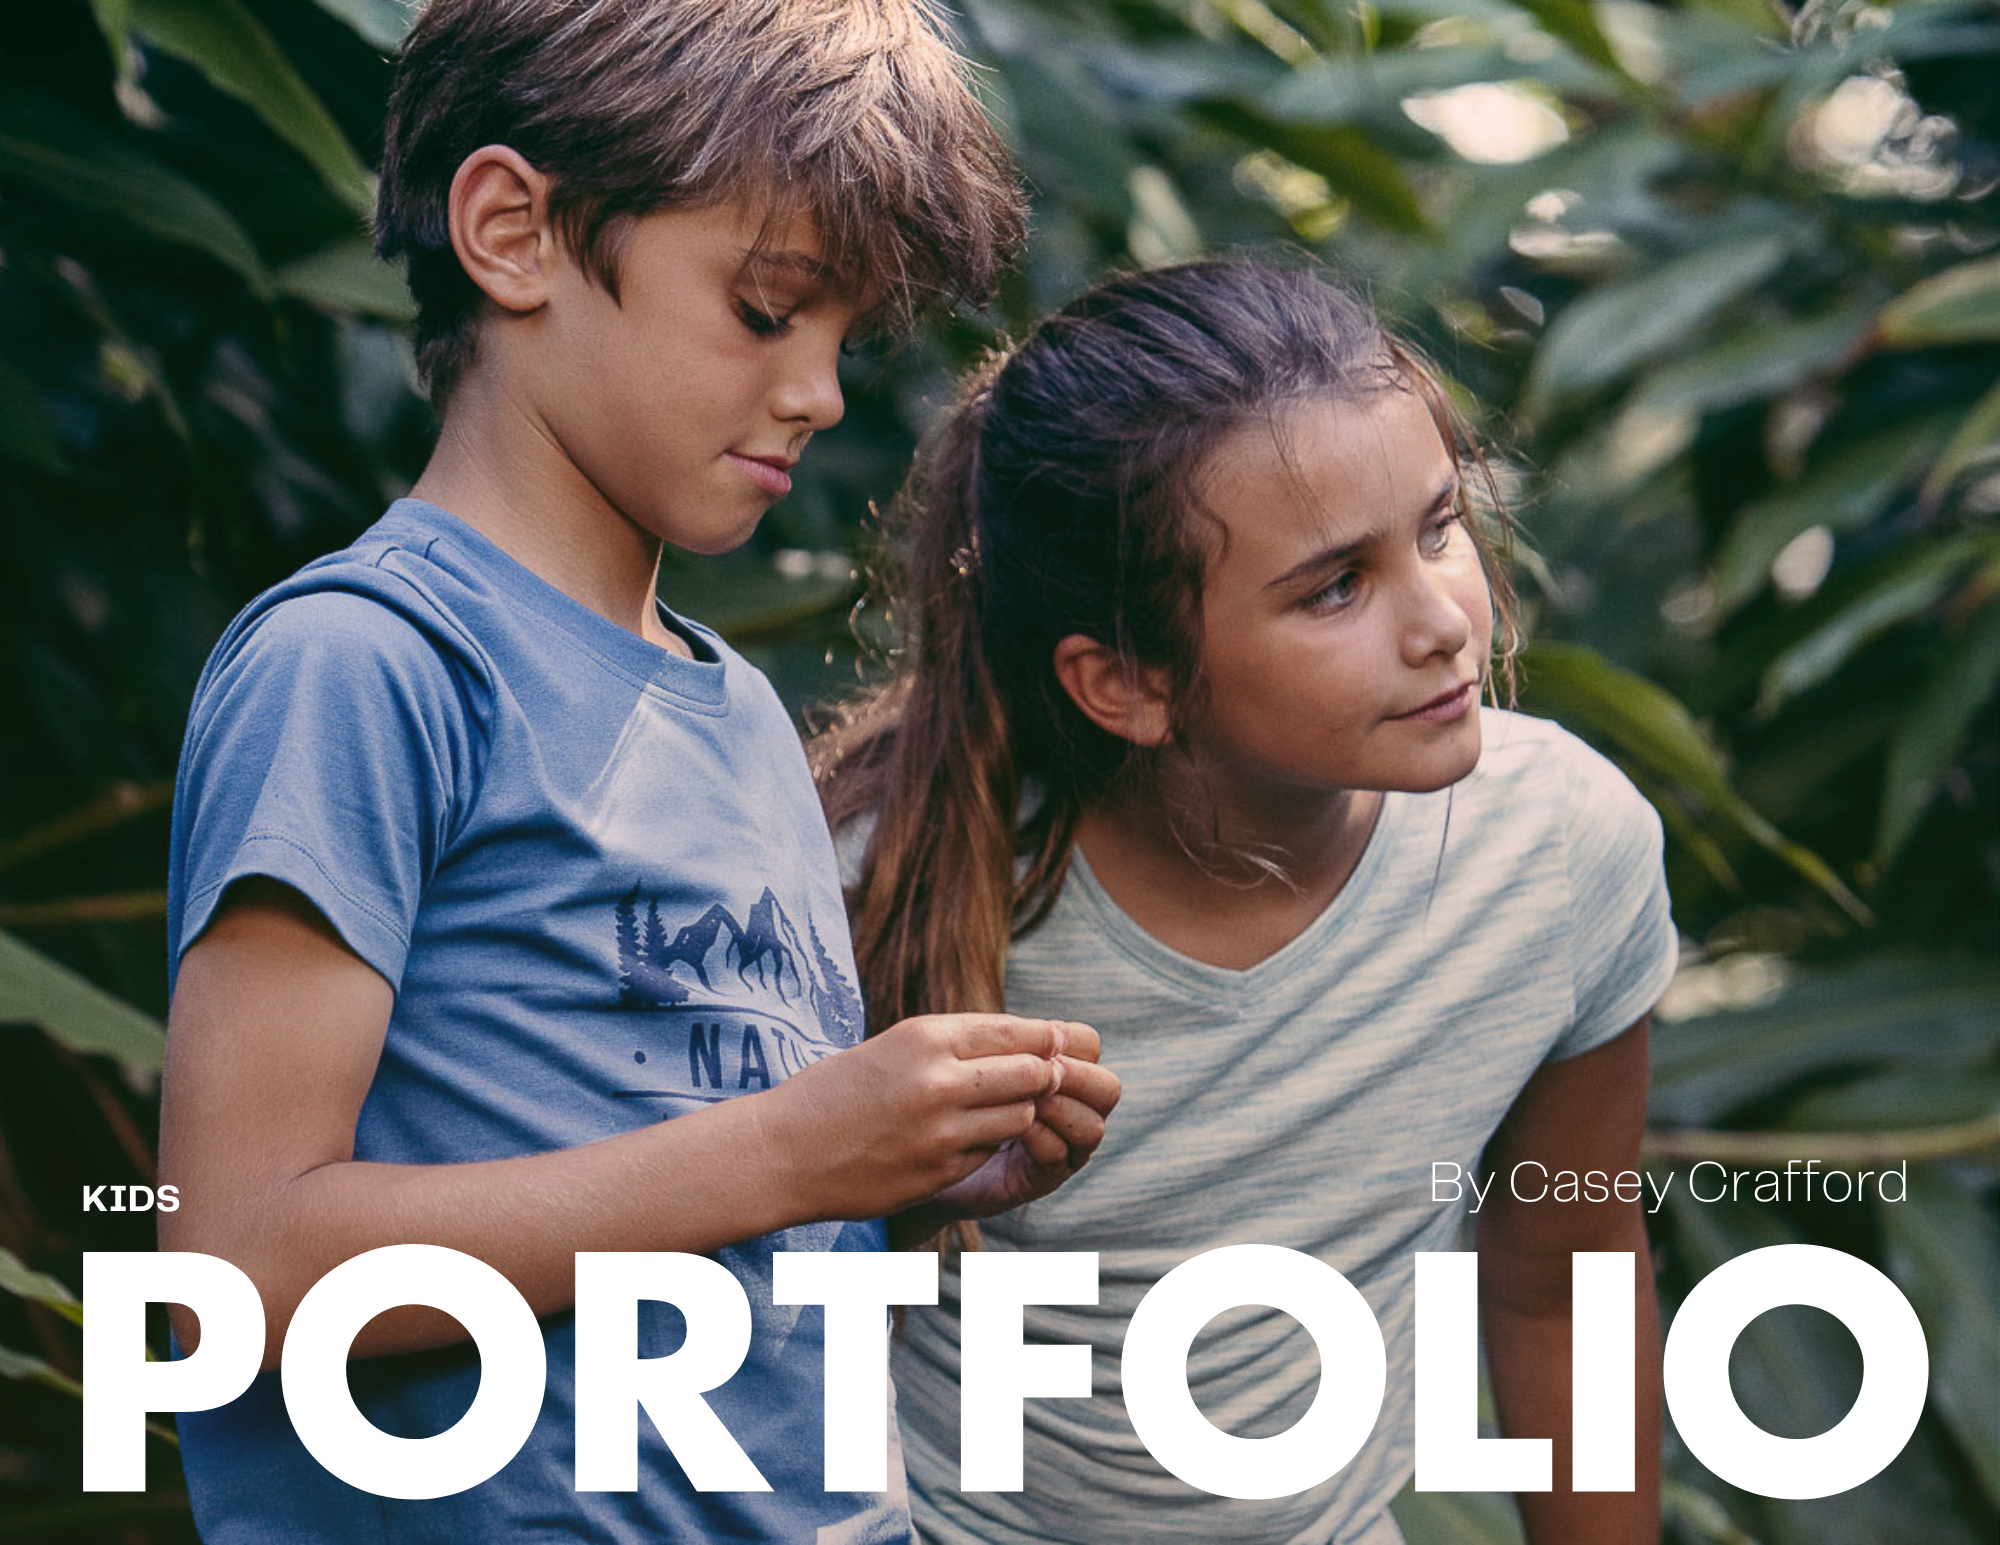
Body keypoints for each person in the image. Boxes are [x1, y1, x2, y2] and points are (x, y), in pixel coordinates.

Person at [158, 2, 1116, 1540]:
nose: (817, 392)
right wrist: (788, 1150)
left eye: (844, 340)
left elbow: (677, 1182)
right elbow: (237, 1275)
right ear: (512, 232)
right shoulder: (368, 664)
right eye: (764, 310)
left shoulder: (735, 709)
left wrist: (892, 1178)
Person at [815, 258, 1676, 1545]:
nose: (1442, 618)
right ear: (1125, 683)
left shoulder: (1557, 853)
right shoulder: (887, 885)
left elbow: (1562, 1284)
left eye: (1438, 526)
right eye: (1336, 586)